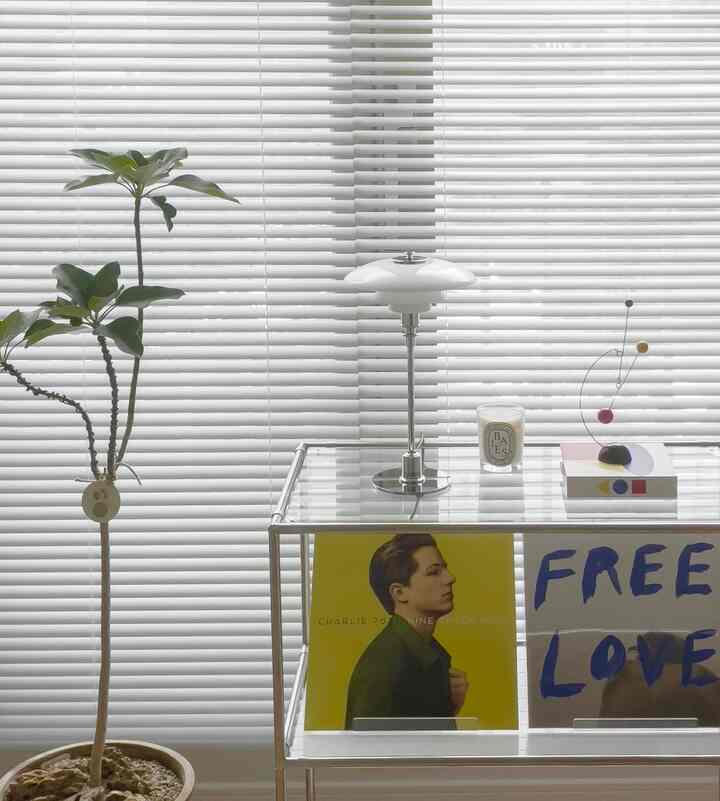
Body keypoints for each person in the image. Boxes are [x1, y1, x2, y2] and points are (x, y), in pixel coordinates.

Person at [344, 532, 469, 729]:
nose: (450, 578)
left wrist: (449, 707)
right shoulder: (383, 667)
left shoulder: (424, 652)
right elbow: (366, 747)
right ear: (399, 592)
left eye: (445, 569)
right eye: (434, 572)